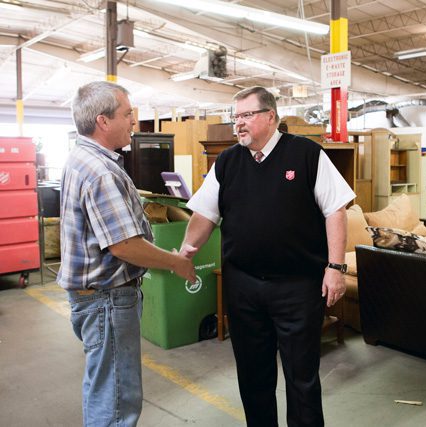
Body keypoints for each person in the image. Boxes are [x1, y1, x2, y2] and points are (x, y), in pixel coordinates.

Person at [180, 86, 354, 426]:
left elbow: (336, 210)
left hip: (298, 288)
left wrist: (335, 267)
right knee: (253, 375)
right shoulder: (228, 161)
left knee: (301, 377)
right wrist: (186, 252)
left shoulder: (306, 154)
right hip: (243, 287)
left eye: (246, 116)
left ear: (270, 117)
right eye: (235, 117)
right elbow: (204, 214)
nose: (238, 125)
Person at [57, 81, 196, 427]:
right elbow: (124, 245)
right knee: (118, 399)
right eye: (128, 114)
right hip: (107, 299)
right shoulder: (101, 171)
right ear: (103, 121)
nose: (134, 121)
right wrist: (175, 262)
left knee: (103, 388)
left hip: (92, 299)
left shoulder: (80, 158)